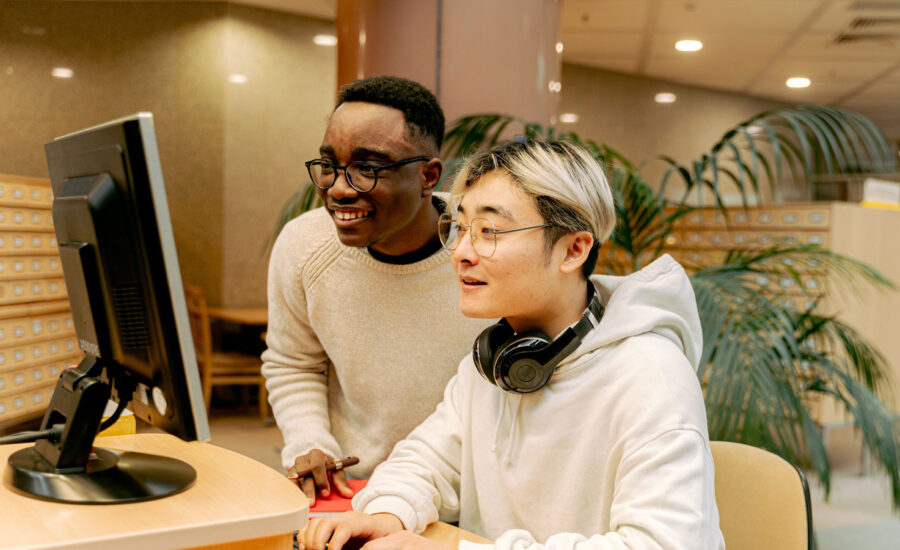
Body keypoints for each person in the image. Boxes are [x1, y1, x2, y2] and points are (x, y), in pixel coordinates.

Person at [299, 139, 725, 550]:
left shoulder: (652, 378)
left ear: (573, 249)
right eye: (461, 227)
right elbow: (427, 461)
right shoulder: (495, 362)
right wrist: (385, 515)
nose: (461, 252)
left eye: (489, 230)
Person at [262, 76, 490, 504]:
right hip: (356, 487)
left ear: (428, 176)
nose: (340, 189)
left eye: (369, 168)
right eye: (329, 165)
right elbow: (294, 363)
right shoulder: (303, 246)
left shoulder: (487, 247)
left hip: (468, 494)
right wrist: (310, 441)